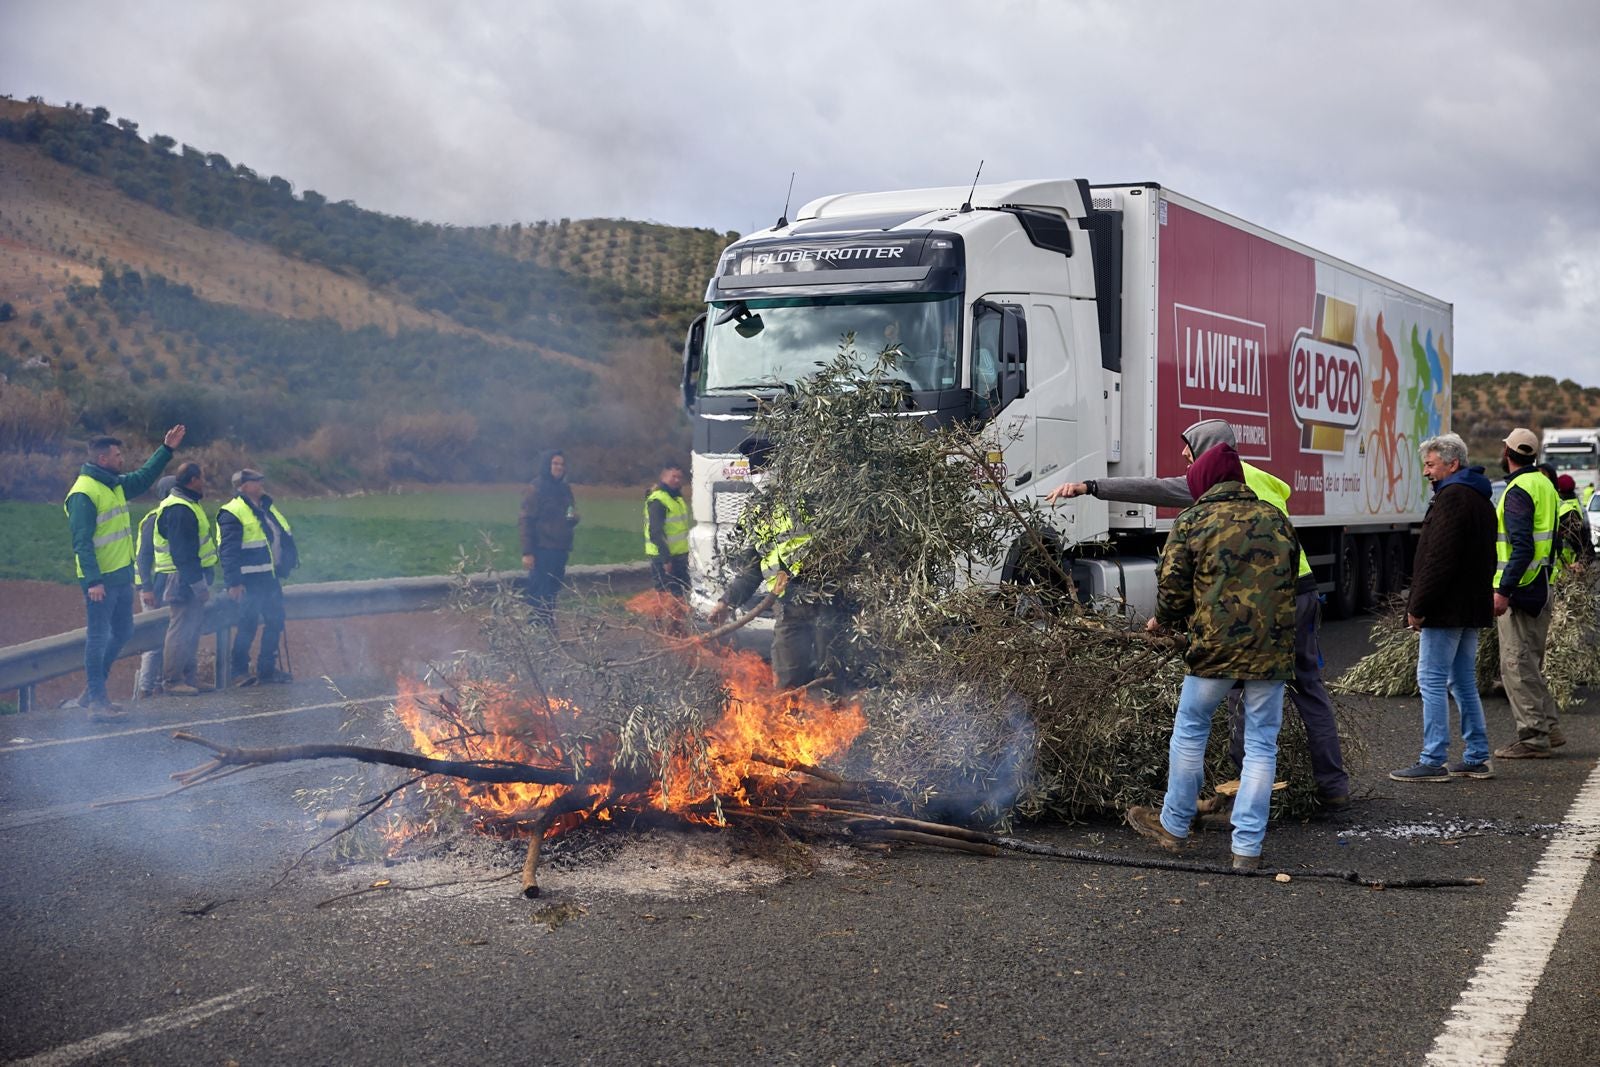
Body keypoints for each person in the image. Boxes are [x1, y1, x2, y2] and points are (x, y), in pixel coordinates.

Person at [1047, 418, 1350, 809]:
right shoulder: (1261, 480)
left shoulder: (1208, 488)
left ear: (1208, 448)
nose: (1185, 455)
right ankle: (1333, 787)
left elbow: (1154, 490)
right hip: (1298, 590)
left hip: (1258, 600)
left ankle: (1239, 791)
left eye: (1189, 446)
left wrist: (1090, 487)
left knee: (1236, 689)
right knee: (1308, 689)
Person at [1124, 442, 1299, 870]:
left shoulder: (1193, 521)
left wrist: (1161, 622)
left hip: (1213, 650)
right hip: (1270, 650)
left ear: (1204, 481)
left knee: (1190, 731)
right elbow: (1291, 572)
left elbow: (1173, 588)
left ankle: (1175, 825)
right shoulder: (1275, 517)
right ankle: (1247, 849)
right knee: (1261, 744)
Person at [1390, 434, 1497, 781]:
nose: (1426, 472)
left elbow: (1438, 560)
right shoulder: (1480, 497)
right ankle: (1477, 755)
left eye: (1431, 464)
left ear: (1452, 464)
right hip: (1470, 605)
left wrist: (1418, 606)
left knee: (1431, 679)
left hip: (1447, 607)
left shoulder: (1452, 498)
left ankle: (1433, 759)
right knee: (1462, 680)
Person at [64, 426, 184, 721]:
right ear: (103, 459)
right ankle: (97, 702)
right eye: (118, 455)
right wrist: (93, 581)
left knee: (123, 632)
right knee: (98, 637)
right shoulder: (83, 493)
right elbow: (81, 541)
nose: (122, 459)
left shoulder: (113, 483)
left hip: (120, 578)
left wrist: (166, 449)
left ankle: (93, 694)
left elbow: (143, 478)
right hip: (100, 582)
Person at [708, 505, 850, 691]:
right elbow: (751, 569)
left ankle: (834, 714)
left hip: (825, 600)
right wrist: (726, 602)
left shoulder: (810, 495)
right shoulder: (757, 511)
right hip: (787, 606)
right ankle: (788, 716)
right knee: (787, 676)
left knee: (830, 674)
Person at [1491, 428, 1563, 758]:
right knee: (1530, 662)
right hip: (1541, 583)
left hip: (1520, 588)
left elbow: (1520, 547)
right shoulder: (1546, 485)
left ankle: (1534, 737)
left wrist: (1503, 590)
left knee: (1516, 665)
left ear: (1507, 452)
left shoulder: (1519, 490)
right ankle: (1549, 726)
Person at [218, 469, 298, 685]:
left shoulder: (265, 507)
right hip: (249, 581)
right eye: (255, 481)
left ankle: (266, 669)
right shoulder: (233, 511)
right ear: (243, 486)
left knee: (275, 621)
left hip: (268, 578)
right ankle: (238, 672)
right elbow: (228, 551)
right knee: (247, 625)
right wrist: (233, 582)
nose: (261, 483)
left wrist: (284, 565)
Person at [153, 462, 217, 695]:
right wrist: (199, 586)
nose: (205, 482)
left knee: (192, 626)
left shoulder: (187, 504)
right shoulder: (179, 509)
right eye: (202, 477)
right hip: (181, 578)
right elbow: (183, 554)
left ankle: (189, 677)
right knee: (180, 628)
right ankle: (172, 681)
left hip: (187, 576)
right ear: (192, 481)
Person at [519, 449, 579, 627]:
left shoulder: (565, 489)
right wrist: (527, 552)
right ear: (547, 465)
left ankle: (548, 627)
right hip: (542, 549)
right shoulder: (535, 488)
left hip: (560, 550)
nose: (559, 467)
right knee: (539, 592)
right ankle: (537, 632)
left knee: (553, 592)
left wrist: (573, 518)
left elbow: (570, 511)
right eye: (555, 463)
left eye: (561, 464)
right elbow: (525, 520)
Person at [132, 475, 178, 698]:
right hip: (153, 587)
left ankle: (158, 684)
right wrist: (146, 588)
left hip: (164, 584)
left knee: (166, 638)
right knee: (153, 643)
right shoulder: (155, 518)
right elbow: (144, 558)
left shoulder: (174, 514)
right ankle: (145, 688)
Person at [644, 461, 691, 600]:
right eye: (673, 476)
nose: (677, 480)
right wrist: (666, 560)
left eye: (679, 477)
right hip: (664, 557)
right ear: (663, 476)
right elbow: (656, 532)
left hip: (679, 556)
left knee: (679, 595)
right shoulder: (658, 500)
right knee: (664, 596)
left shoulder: (676, 498)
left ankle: (678, 621)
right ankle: (659, 622)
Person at [1552, 474, 1594, 574]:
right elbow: (1586, 534)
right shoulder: (1580, 508)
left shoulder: (1561, 509)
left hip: (1564, 568)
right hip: (1576, 567)